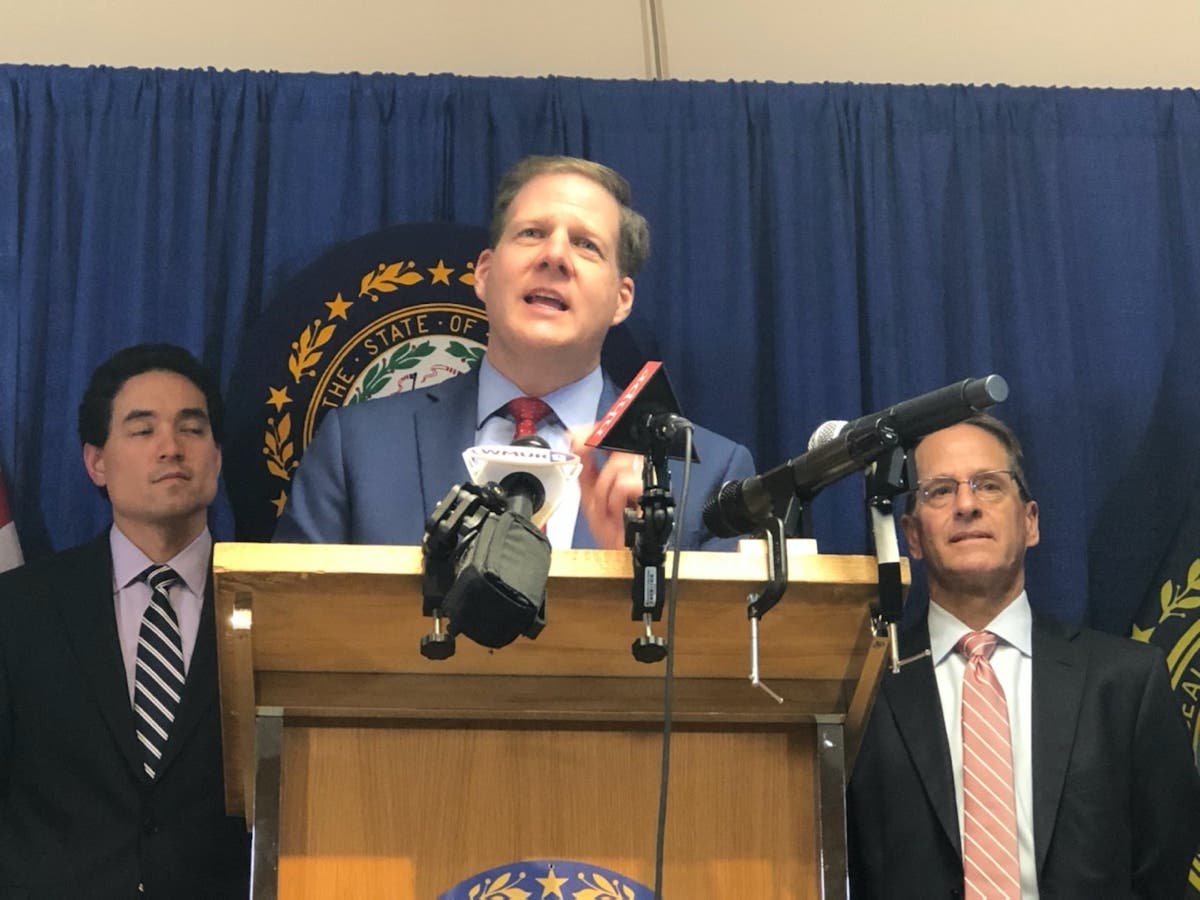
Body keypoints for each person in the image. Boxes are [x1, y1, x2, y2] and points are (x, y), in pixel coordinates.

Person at [273, 154, 754, 550]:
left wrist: (635, 569)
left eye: (586, 245)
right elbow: (289, 630)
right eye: (531, 233)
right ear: (484, 273)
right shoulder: (355, 447)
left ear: (621, 299)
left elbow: (726, 656)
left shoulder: (709, 475)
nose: (554, 256)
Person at [847, 414, 1200, 898]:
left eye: (989, 485)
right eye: (939, 491)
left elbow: (1164, 862)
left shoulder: (1125, 682)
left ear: (1030, 521)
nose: (966, 505)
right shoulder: (863, 684)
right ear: (911, 536)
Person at [0, 344, 250, 897]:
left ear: (217, 456)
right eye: (142, 431)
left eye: (192, 428)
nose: (171, 448)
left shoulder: (272, 601)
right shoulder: (18, 609)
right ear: (97, 462)